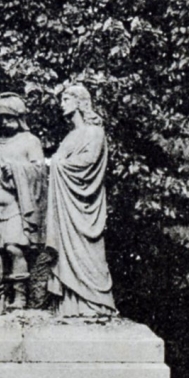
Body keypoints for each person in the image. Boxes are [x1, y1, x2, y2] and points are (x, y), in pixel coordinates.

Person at [45, 84, 117, 318]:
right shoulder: (70, 136)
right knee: (68, 251)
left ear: (79, 102)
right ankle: (71, 305)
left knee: (88, 253)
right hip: (67, 206)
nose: (61, 103)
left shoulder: (94, 132)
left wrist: (56, 164)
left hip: (84, 206)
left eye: (66, 98)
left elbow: (88, 162)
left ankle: (95, 304)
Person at [0, 93, 47, 309]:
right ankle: (0, 294)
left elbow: (40, 172)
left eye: (8, 117)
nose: (3, 122)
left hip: (16, 205)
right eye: (0, 117)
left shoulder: (30, 142)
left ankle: (20, 296)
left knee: (14, 249)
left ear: (19, 117)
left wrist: (17, 169)